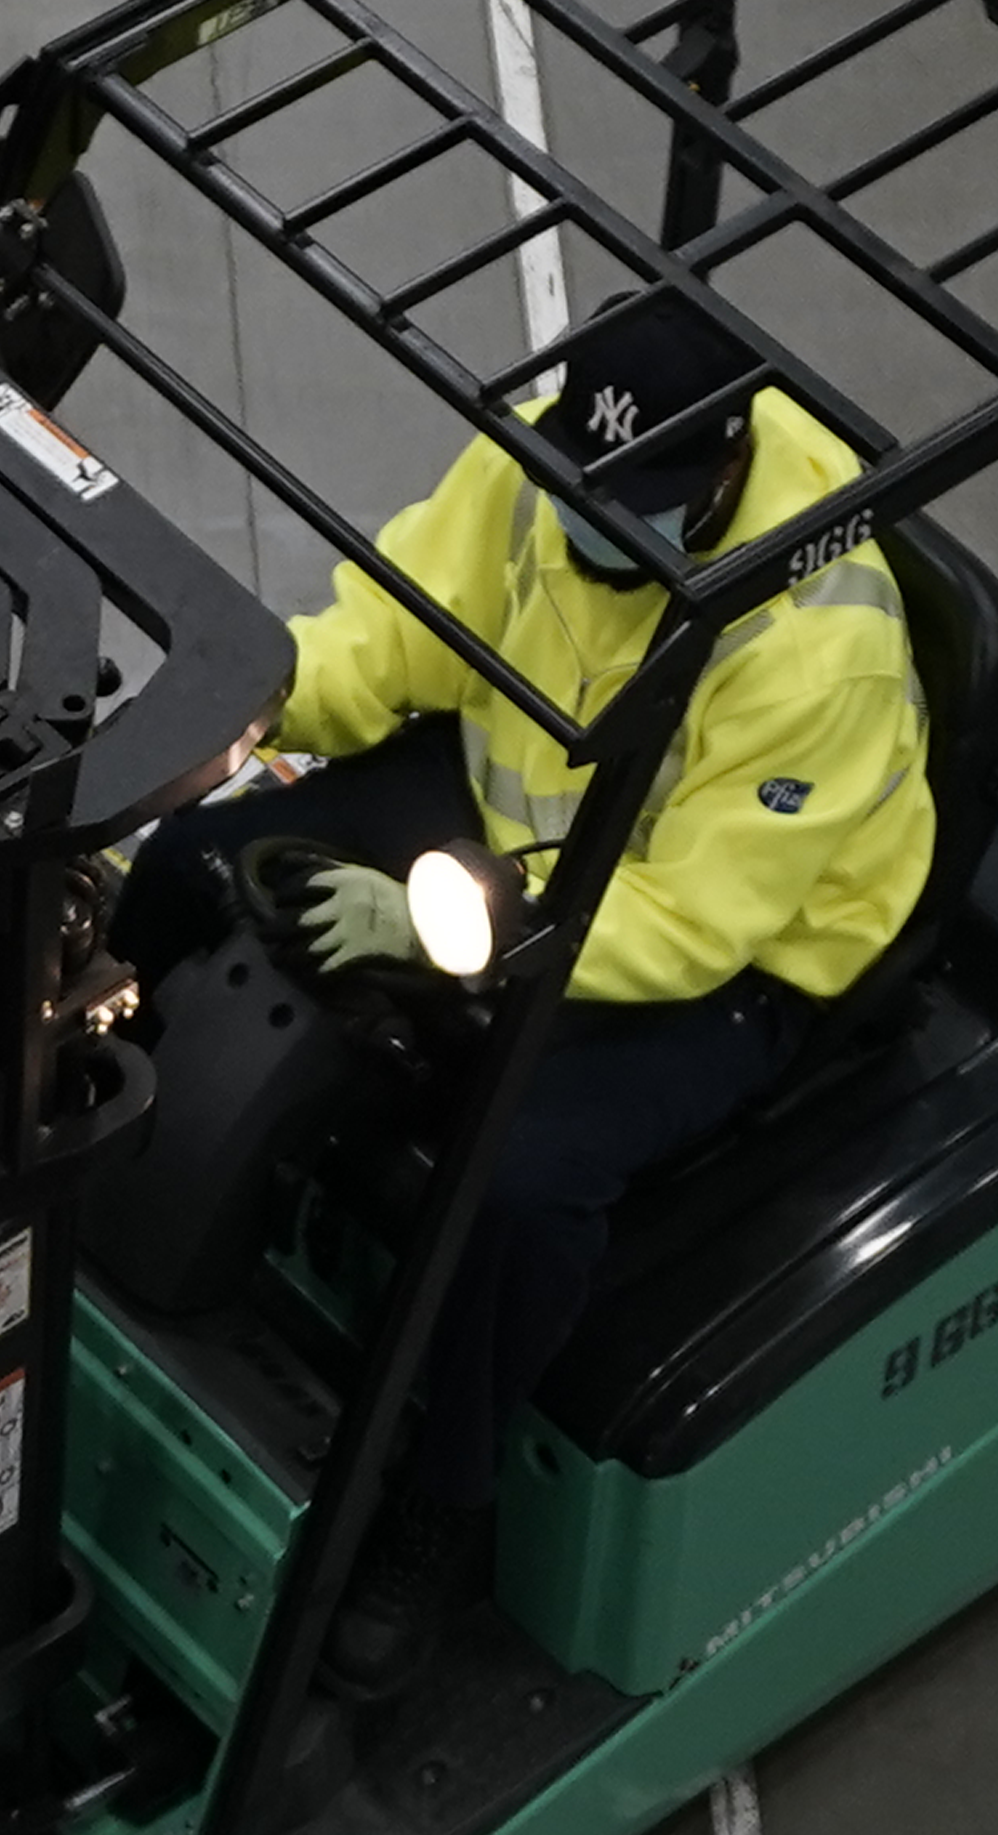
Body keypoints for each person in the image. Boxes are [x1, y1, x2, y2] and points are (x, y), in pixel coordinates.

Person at [110, 289, 932, 1701]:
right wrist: (257, 703)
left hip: (729, 956)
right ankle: (87, 1169)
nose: (595, 524)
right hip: (519, 827)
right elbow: (404, 626)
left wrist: (466, 939)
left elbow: (690, 919)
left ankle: (441, 1501)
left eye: (640, 506)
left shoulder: (817, 641)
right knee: (195, 862)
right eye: (586, 491)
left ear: (721, 472)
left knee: (516, 1185)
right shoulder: (547, 466)